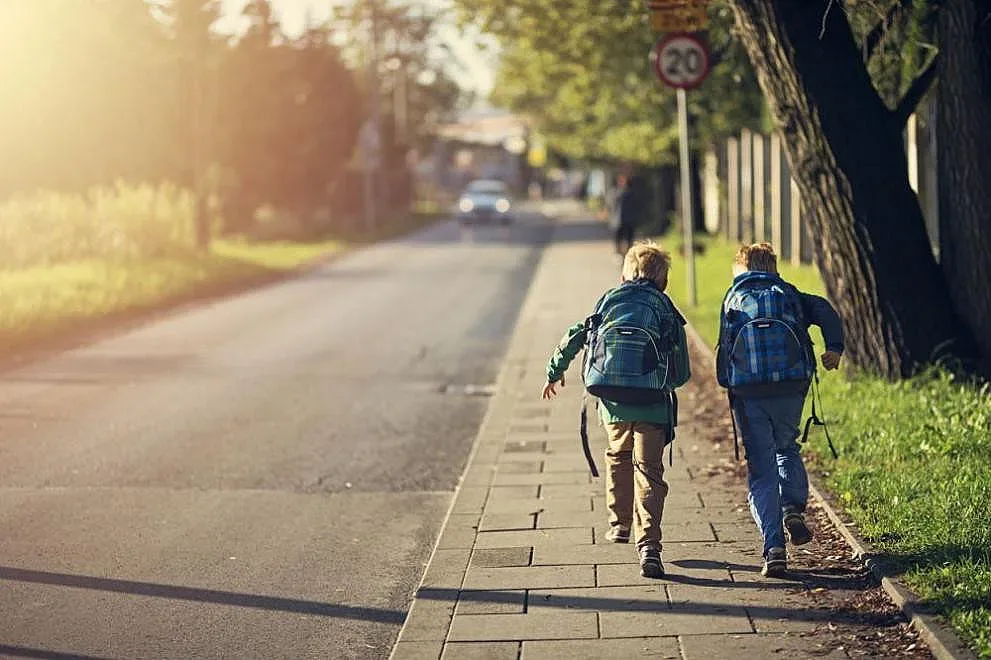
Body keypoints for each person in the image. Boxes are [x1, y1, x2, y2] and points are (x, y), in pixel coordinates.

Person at [541, 241, 690, 578]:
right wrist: (673, 381)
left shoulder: (609, 299)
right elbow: (680, 363)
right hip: (652, 403)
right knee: (649, 471)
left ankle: (620, 523)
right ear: (662, 279)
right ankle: (649, 545)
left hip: (612, 400)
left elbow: (578, 333)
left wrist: (555, 371)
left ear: (626, 272)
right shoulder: (664, 305)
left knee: (618, 457)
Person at [716, 242, 844, 578]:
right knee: (786, 447)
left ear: (741, 268)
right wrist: (834, 348)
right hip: (791, 385)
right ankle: (793, 507)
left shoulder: (733, 297)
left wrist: (727, 384)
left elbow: (723, 349)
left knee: (761, 466)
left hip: (749, 391)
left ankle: (774, 547)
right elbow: (826, 311)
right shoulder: (788, 292)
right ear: (772, 266)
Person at [611, 174, 639, 256]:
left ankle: (628, 254)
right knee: (618, 238)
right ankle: (618, 252)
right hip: (618, 219)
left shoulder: (631, 193)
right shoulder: (616, 192)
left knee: (629, 238)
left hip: (629, 220)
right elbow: (612, 205)